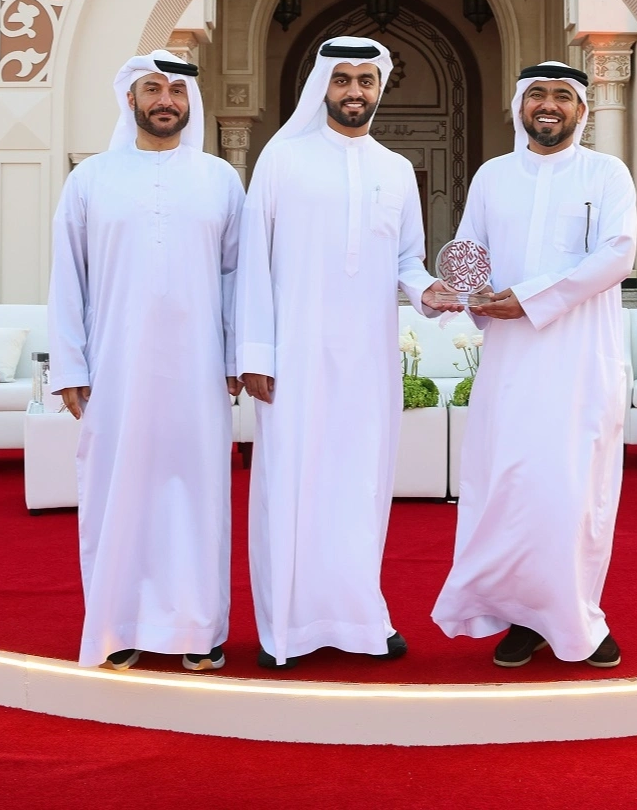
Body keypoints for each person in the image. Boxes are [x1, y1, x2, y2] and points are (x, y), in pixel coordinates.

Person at [236, 36, 462, 669]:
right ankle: (286, 629)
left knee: (361, 486)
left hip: (368, 360)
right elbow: (253, 261)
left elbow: (406, 262)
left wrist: (428, 291)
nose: (355, 91)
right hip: (295, 357)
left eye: (366, 80)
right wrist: (255, 352)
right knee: (291, 484)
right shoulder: (282, 160)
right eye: (343, 80)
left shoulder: (394, 169)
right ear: (323, 87)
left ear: (379, 89)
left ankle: (360, 616)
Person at [431, 61, 637, 669]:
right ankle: (520, 619)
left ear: (582, 109)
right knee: (511, 487)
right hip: (510, 363)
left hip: (580, 360)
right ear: (520, 105)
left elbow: (617, 254)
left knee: (574, 489)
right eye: (538, 96)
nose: (549, 106)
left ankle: (577, 618)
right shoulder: (494, 176)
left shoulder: (606, 173)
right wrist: (460, 292)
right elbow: (470, 251)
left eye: (562, 98)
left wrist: (531, 297)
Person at [47, 50, 245, 673]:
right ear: (130, 100)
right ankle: (119, 623)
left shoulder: (219, 178)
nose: (166, 100)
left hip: (199, 370)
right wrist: (71, 367)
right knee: (118, 491)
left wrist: (239, 355)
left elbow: (241, 277)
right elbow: (67, 280)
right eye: (153, 89)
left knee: (197, 493)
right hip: (116, 367)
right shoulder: (91, 179)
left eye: (177, 90)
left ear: (191, 102)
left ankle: (197, 627)